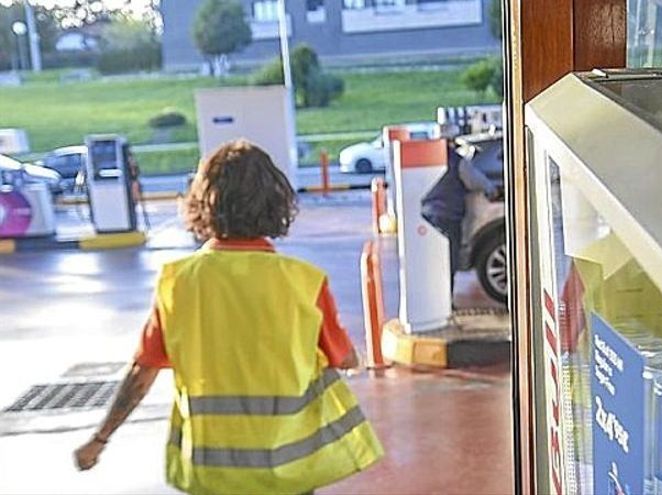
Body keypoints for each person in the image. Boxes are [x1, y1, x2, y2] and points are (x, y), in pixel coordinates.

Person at [73, 140, 384, 494]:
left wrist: (100, 440)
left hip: (211, 471)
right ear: (276, 202)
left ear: (202, 202)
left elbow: (142, 372)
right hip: (287, 468)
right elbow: (343, 358)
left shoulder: (177, 282)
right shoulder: (303, 281)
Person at [421, 124, 501, 297]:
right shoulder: (458, 162)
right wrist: (493, 190)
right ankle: (445, 301)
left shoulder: (428, 160)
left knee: (431, 261)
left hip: (426, 215)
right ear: (452, 141)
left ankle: (432, 300)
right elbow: (476, 180)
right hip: (448, 216)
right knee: (449, 261)